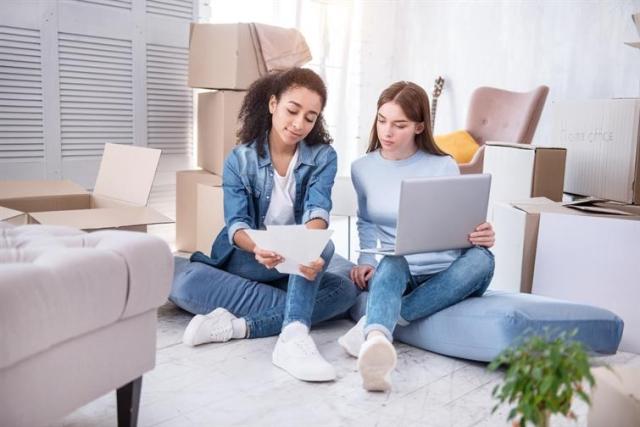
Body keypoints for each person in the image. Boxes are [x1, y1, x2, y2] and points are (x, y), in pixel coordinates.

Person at [170, 68, 358, 382]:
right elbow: (237, 225)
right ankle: (296, 318)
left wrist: (305, 252)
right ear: (273, 104)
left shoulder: (323, 156)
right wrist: (260, 248)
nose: (299, 124)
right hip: (249, 256)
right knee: (186, 281)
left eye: (310, 117)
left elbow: (317, 210)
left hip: (294, 259)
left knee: (344, 287)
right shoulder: (240, 159)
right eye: (292, 111)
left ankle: (247, 328)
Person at [337, 81, 496, 392]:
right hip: (401, 270)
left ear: (420, 126)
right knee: (392, 262)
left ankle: (377, 323)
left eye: (400, 125)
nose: (387, 132)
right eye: (382, 120)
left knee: (482, 259)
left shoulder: (443, 165)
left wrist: (483, 232)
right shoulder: (362, 168)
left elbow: (463, 220)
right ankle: (377, 346)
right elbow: (366, 221)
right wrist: (366, 259)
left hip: (450, 270)